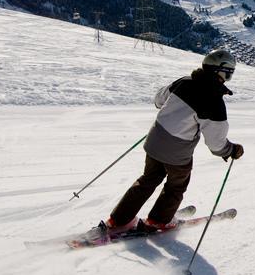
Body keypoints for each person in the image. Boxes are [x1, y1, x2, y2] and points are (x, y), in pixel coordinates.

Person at [98, 48, 245, 236]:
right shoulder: (214, 102)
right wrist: (230, 150)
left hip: (155, 140)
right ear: (222, 72)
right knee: (176, 184)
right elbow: (216, 143)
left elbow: (159, 100)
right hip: (177, 151)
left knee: (148, 180)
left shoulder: (184, 82)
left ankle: (118, 220)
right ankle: (158, 221)